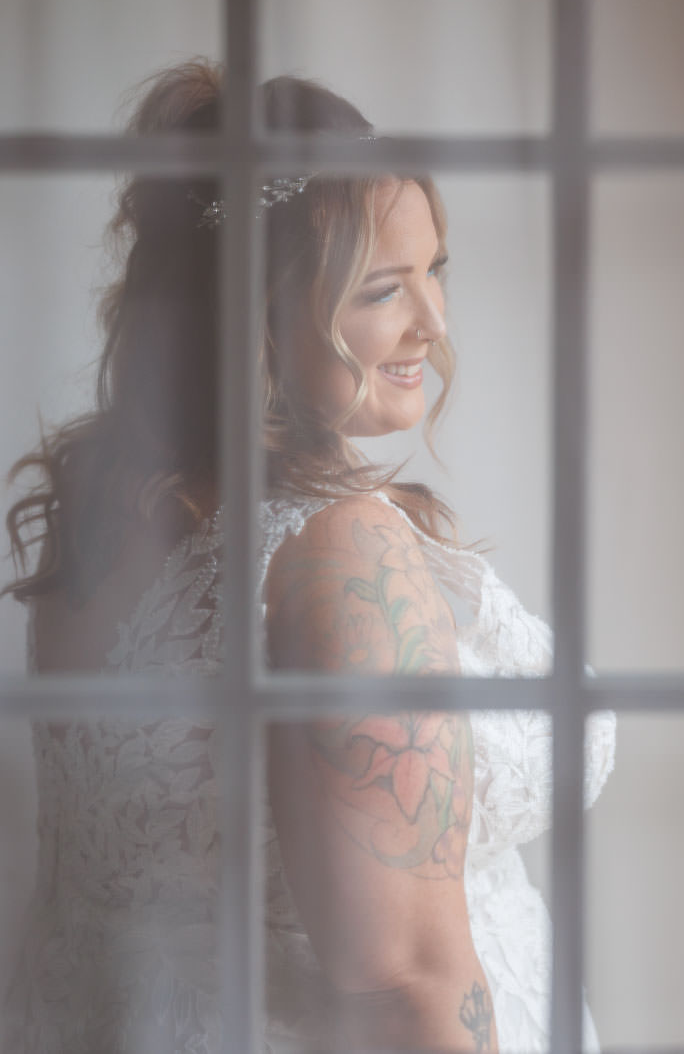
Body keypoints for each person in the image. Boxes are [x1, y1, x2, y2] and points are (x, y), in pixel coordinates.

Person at [2, 61, 615, 1053]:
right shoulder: (336, 554)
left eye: (434, 269)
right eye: (382, 287)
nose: (433, 322)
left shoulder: (104, 526)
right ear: (256, 317)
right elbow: (406, 983)